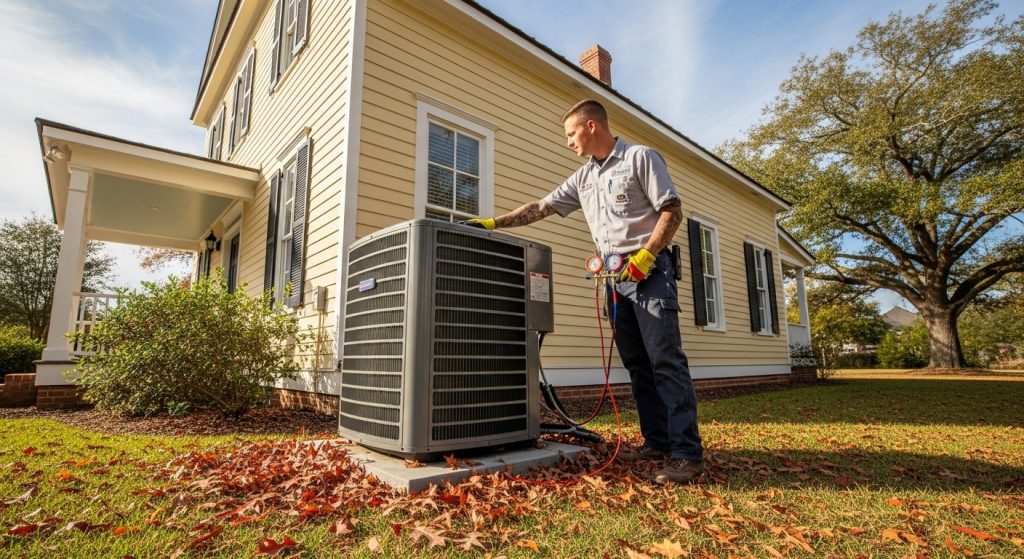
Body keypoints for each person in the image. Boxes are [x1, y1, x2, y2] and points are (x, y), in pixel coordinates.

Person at [467, 99, 704, 484]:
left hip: (649, 273)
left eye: (571, 133)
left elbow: (672, 211)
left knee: (666, 362)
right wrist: (495, 223)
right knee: (639, 366)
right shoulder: (584, 179)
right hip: (613, 280)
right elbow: (540, 207)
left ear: (592, 126)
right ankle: (657, 442)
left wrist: (647, 254)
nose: (568, 143)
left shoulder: (640, 157)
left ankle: (686, 454)